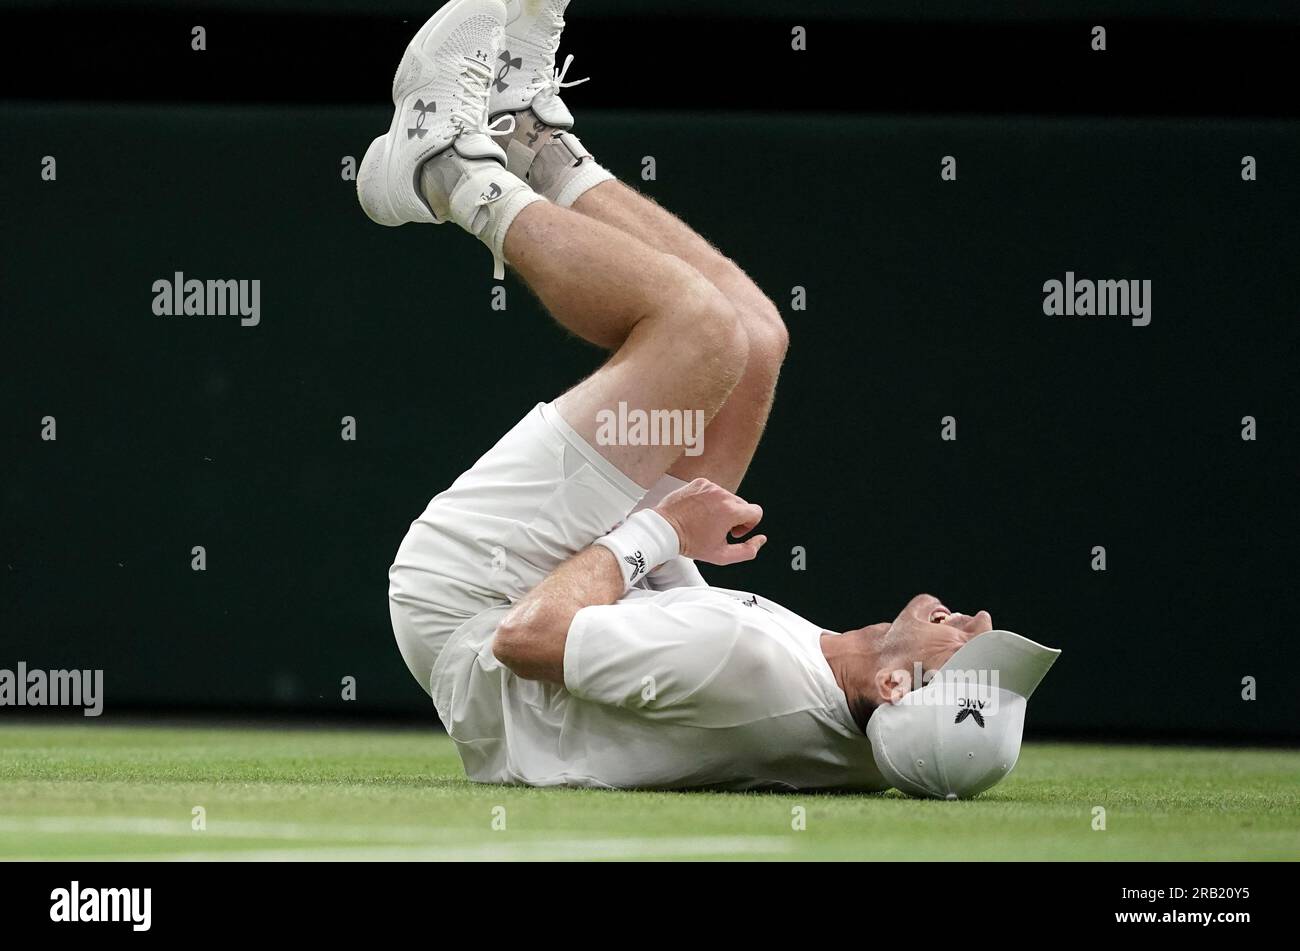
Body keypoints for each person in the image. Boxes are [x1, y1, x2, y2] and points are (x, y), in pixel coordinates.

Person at [363, 0, 1060, 797]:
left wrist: (661, 530)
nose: (978, 625)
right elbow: (662, 651)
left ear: (898, 690)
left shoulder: (758, 673)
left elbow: (527, 639)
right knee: (756, 341)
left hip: (471, 600)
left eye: (971, 657)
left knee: (702, 334)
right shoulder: (833, 706)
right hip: (530, 610)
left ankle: (446, 168)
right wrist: (666, 547)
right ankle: (531, 143)